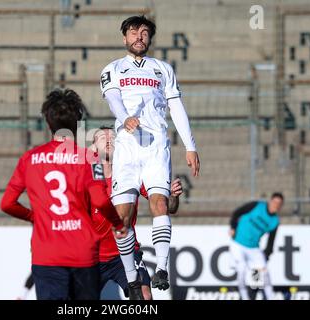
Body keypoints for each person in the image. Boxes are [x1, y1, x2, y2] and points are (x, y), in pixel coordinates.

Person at [99, 15, 200, 294]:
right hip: (127, 148)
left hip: (156, 147)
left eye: (144, 32)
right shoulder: (113, 69)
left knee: (159, 204)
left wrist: (190, 146)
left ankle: (163, 269)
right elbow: (113, 98)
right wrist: (125, 117)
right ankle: (131, 276)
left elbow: (176, 108)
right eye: (133, 32)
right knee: (122, 215)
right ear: (124, 38)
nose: (139, 37)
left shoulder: (162, 69)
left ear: (150, 39)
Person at [0, 89, 126, 300]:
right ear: (77, 122)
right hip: (83, 251)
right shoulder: (88, 157)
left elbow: (7, 204)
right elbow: (100, 200)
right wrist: (118, 224)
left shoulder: (29, 159)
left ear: (48, 122)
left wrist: (33, 217)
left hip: (47, 252)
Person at [90, 126, 184, 300]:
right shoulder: (86, 180)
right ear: (93, 148)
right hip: (91, 256)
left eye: (113, 137)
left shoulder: (133, 177)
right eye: (103, 138)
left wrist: (172, 196)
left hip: (124, 254)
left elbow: (168, 208)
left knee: (144, 296)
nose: (109, 140)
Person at [229, 193, 284, 300]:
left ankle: (268, 297)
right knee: (242, 269)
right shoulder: (257, 206)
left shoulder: (275, 221)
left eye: (279, 203)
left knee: (263, 273)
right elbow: (237, 212)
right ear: (270, 201)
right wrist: (233, 227)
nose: (276, 205)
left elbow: (271, 241)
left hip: (253, 248)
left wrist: (266, 255)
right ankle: (245, 297)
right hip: (238, 244)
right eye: (275, 202)